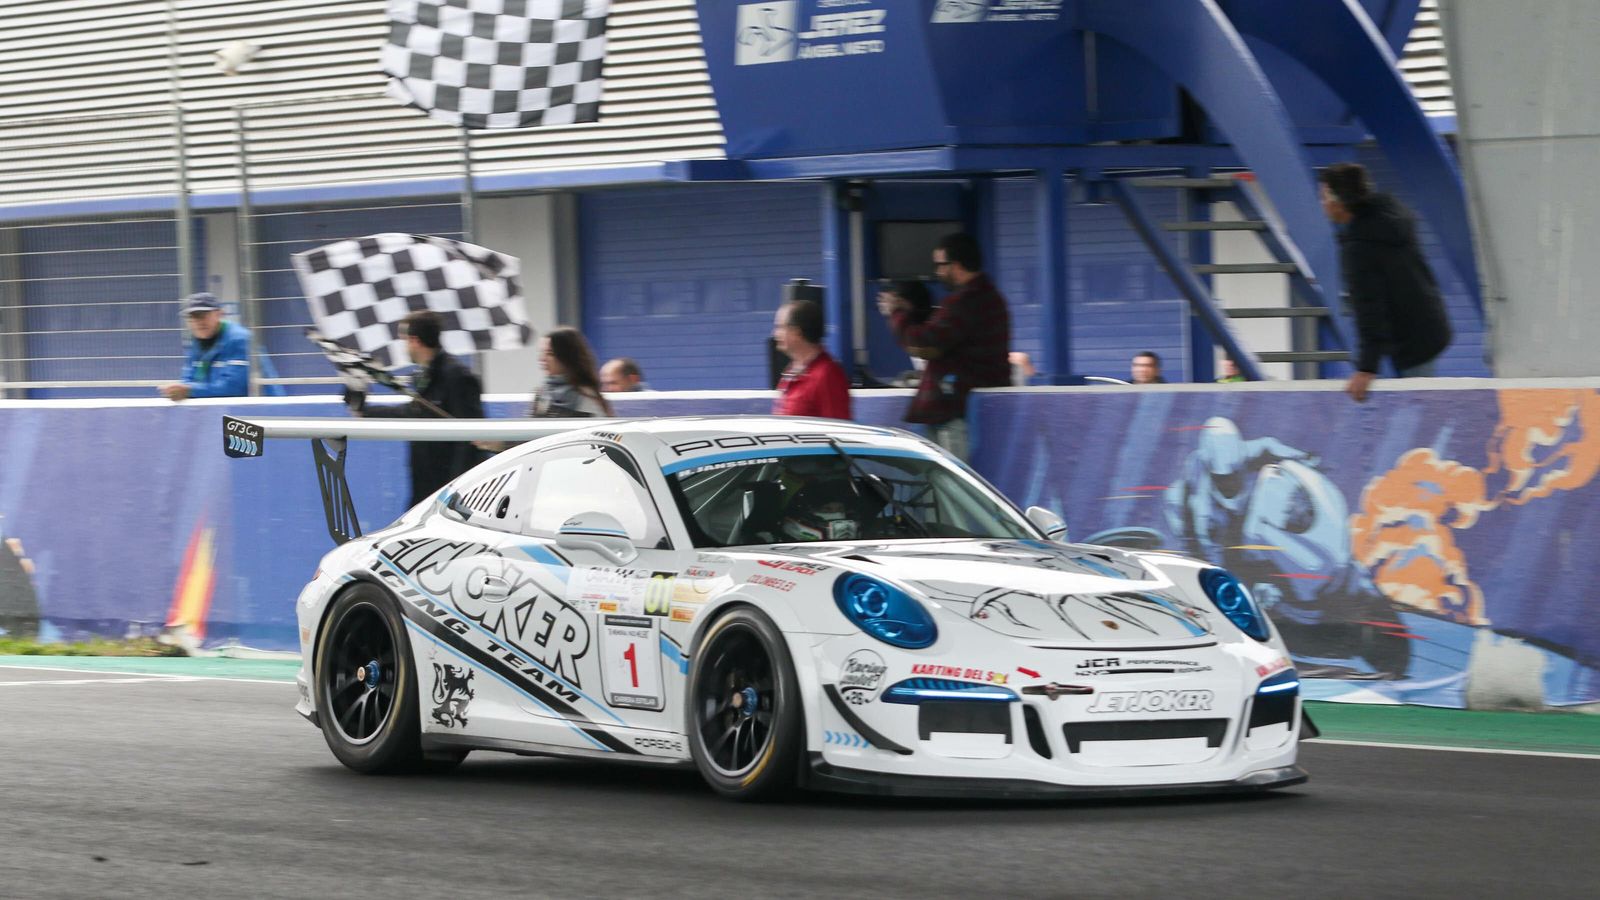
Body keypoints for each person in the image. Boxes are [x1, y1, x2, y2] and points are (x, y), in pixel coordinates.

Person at [1318, 162, 1452, 403]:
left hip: (1411, 341)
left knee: (1417, 411)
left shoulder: (1359, 248)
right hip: (1431, 327)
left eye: (1324, 198)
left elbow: (1369, 309)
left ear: (1339, 203)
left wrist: (1366, 367)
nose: (1322, 204)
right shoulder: (1393, 213)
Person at [876, 233, 1010, 461]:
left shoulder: (965, 302)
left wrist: (896, 314)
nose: (937, 272)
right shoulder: (989, 298)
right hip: (965, 410)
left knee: (954, 487)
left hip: (954, 413)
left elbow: (924, 343)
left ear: (956, 265)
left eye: (940, 265)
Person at [350, 310, 485, 506]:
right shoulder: (423, 377)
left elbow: (471, 440)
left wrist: (454, 492)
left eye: (404, 340)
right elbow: (413, 413)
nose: (405, 347)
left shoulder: (457, 376)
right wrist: (366, 411)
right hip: (424, 489)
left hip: (450, 494)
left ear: (414, 340)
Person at [158, 293, 252, 400]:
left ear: (219, 314)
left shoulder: (238, 339)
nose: (199, 322)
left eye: (203, 315)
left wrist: (190, 390)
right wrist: (179, 390)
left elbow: (234, 388)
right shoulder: (197, 340)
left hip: (259, 411)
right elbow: (188, 378)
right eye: (193, 317)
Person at [772, 299, 851, 420]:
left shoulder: (827, 375)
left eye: (780, 327)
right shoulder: (791, 371)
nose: (775, 334)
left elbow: (838, 427)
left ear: (797, 332)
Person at [531, 327, 613, 417]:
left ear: (567, 356)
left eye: (550, 354)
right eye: (541, 353)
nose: (542, 359)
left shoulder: (586, 397)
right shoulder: (543, 393)